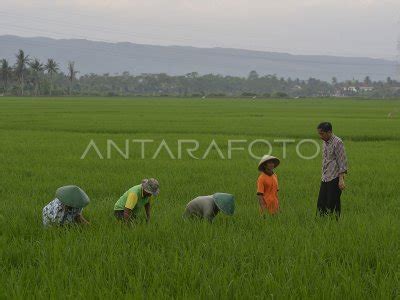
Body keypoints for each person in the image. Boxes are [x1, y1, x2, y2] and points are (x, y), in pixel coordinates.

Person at [316, 122, 348, 218]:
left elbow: (342, 161)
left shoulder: (338, 142)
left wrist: (341, 180)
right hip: (325, 177)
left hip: (334, 178)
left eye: (322, 133)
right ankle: (322, 224)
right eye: (319, 133)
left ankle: (334, 224)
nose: (320, 136)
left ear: (329, 132)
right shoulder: (325, 142)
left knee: (332, 204)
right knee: (321, 204)